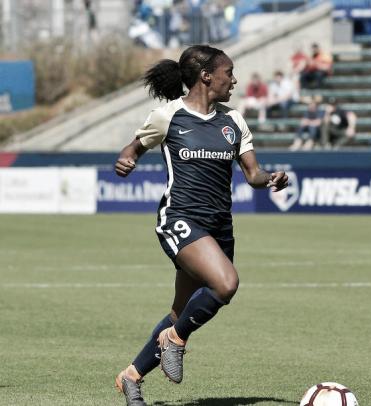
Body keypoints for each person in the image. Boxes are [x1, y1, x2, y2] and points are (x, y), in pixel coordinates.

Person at [113, 45, 288, 406]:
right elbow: (132, 149)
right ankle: (175, 341)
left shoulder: (233, 121)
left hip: (219, 227)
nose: (234, 80)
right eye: (229, 73)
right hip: (180, 219)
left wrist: (271, 178)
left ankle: (131, 377)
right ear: (206, 76)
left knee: (181, 312)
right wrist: (126, 160)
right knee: (226, 284)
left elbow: (252, 174)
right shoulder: (168, 116)